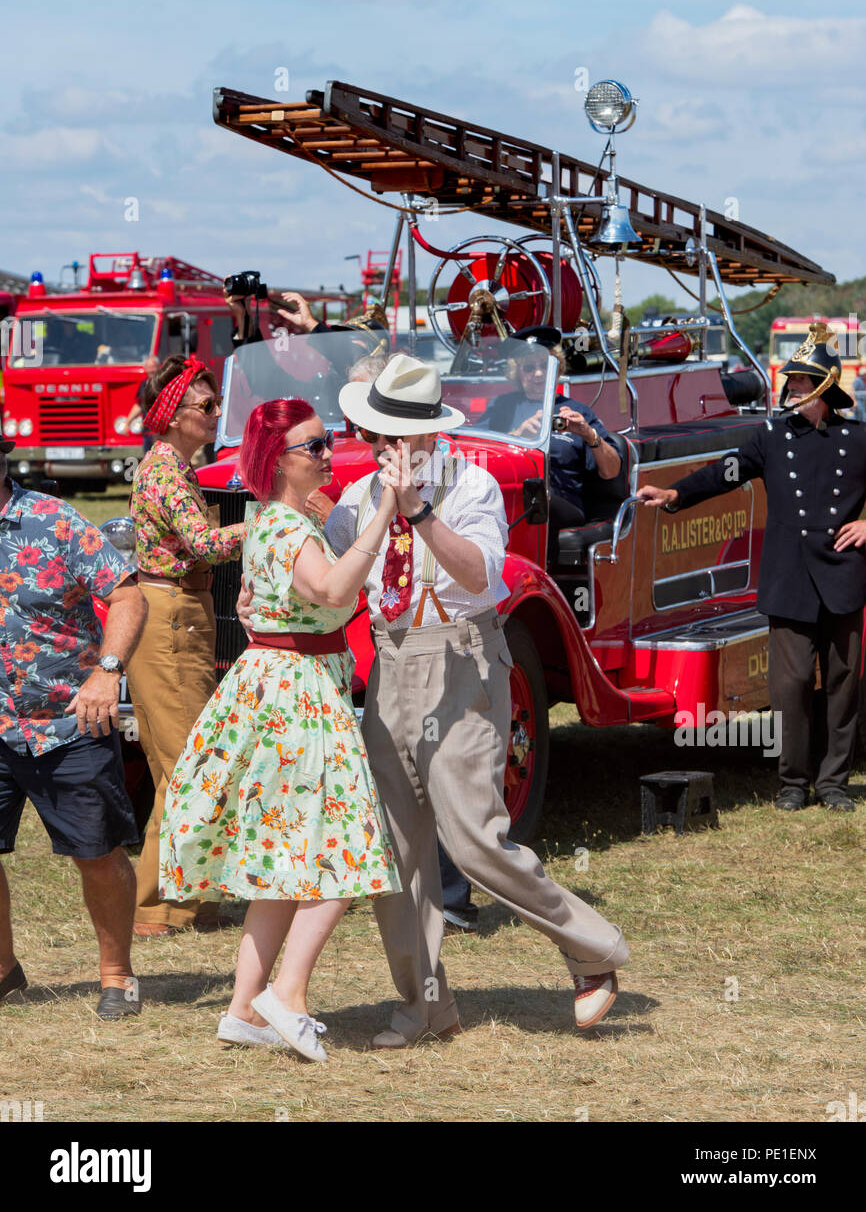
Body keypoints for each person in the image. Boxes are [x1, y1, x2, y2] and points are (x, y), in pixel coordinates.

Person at [321, 353, 629, 1045]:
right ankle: (425, 1005)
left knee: (473, 837)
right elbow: (336, 575)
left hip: (460, 656)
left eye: (390, 436)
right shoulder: (358, 496)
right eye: (373, 434)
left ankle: (593, 951)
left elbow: (484, 574)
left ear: (426, 435)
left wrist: (419, 513)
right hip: (393, 660)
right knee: (395, 851)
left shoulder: (472, 486)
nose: (378, 448)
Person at [161, 398, 401, 1061]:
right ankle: (287, 996)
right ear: (278, 460)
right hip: (300, 694)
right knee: (344, 847)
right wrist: (383, 512)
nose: (327, 453)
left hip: (282, 683)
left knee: (284, 858)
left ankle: (245, 1007)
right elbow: (329, 591)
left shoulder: (277, 519)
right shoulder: (288, 529)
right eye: (314, 447)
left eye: (327, 442)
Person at [638, 321, 866, 813]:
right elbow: (726, 472)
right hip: (790, 577)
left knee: (844, 687)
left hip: (843, 574)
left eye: (802, 382)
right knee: (792, 684)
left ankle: (833, 783)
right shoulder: (773, 437)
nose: (792, 389)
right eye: (791, 381)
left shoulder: (859, 438)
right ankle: (793, 782)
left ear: (824, 387)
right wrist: (676, 493)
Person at [0, 438, 148, 1018]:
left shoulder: (53, 520)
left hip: (69, 721)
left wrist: (108, 672)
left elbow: (127, 594)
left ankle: (117, 975)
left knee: (98, 852)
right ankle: (5, 971)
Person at [126, 356, 246, 937]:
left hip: (180, 614)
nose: (216, 414)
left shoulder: (174, 468)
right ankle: (161, 907)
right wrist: (270, 519)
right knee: (185, 766)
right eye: (206, 405)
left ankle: (184, 900)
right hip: (171, 617)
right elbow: (203, 543)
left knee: (184, 762)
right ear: (172, 414)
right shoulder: (167, 472)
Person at [481, 328, 623, 565]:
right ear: (518, 373)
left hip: (561, 502)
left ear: (557, 370)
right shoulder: (502, 408)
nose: (538, 374)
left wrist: (589, 434)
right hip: (511, 497)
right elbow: (479, 453)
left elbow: (611, 471)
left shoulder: (578, 411)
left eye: (545, 366)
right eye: (529, 367)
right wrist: (518, 434)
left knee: (535, 498)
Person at [126, 355, 160, 457]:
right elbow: (139, 405)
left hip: (160, 433)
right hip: (147, 433)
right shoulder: (144, 384)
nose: (151, 370)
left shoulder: (163, 384)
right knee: (148, 461)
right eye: (148, 367)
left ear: (159, 367)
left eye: (153, 367)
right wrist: (127, 423)